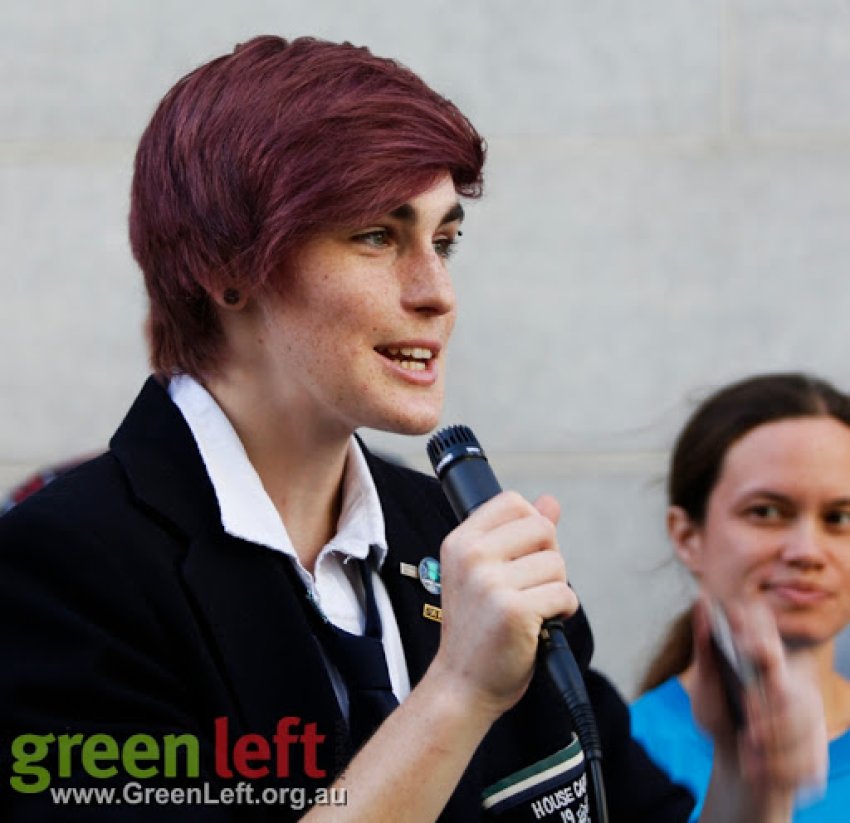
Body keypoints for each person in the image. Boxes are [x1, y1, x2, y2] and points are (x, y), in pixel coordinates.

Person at [0, 36, 824, 822]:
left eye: (445, 241)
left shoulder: (448, 530)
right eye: (375, 236)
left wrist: (756, 790)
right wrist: (458, 693)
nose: (437, 292)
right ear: (224, 266)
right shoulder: (60, 568)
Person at [631, 372, 850, 821]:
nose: (807, 551)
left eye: (840, 517)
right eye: (766, 512)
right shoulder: (622, 758)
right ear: (687, 535)